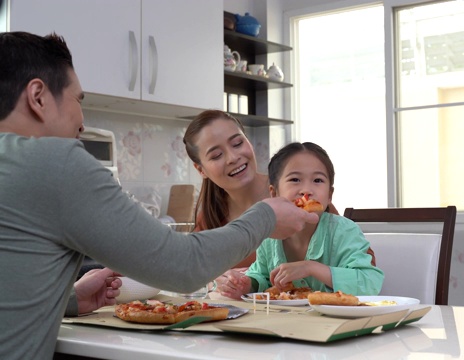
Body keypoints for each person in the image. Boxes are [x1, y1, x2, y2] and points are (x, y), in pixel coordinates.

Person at [0, 31, 318, 360]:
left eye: (237, 142)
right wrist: (266, 217)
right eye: (78, 100)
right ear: (38, 96)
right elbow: (183, 266)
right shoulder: (56, 161)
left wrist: (69, 299)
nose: (82, 122)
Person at [182, 110, 376, 276]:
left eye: (237, 143)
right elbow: (193, 273)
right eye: (216, 155)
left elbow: (363, 265)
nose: (233, 157)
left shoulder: (299, 197)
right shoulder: (210, 216)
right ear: (201, 170)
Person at [217, 142, 384, 299]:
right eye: (295, 180)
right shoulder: (270, 234)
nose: (306, 190)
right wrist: (246, 285)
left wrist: (310, 268)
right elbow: (261, 276)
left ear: (330, 195)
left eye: (318, 180)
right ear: (274, 193)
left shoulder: (345, 231)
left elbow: (370, 282)